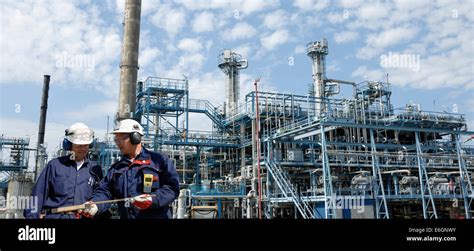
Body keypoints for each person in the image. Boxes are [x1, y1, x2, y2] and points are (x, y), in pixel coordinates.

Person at [81, 119, 179, 219]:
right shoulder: (116, 169)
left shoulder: (159, 161)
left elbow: (172, 188)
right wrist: (95, 204)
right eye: (116, 140)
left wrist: (152, 199)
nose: (118, 143)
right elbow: (105, 191)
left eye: (121, 139)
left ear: (135, 138)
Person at [24, 123, 103, 219]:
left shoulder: (95, 170)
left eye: (85, 145)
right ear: (69, 145)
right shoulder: (55, 166)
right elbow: (38, 196)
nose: (82, 149)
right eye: (79, 145)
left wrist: (96, 205)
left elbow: (101, 194)